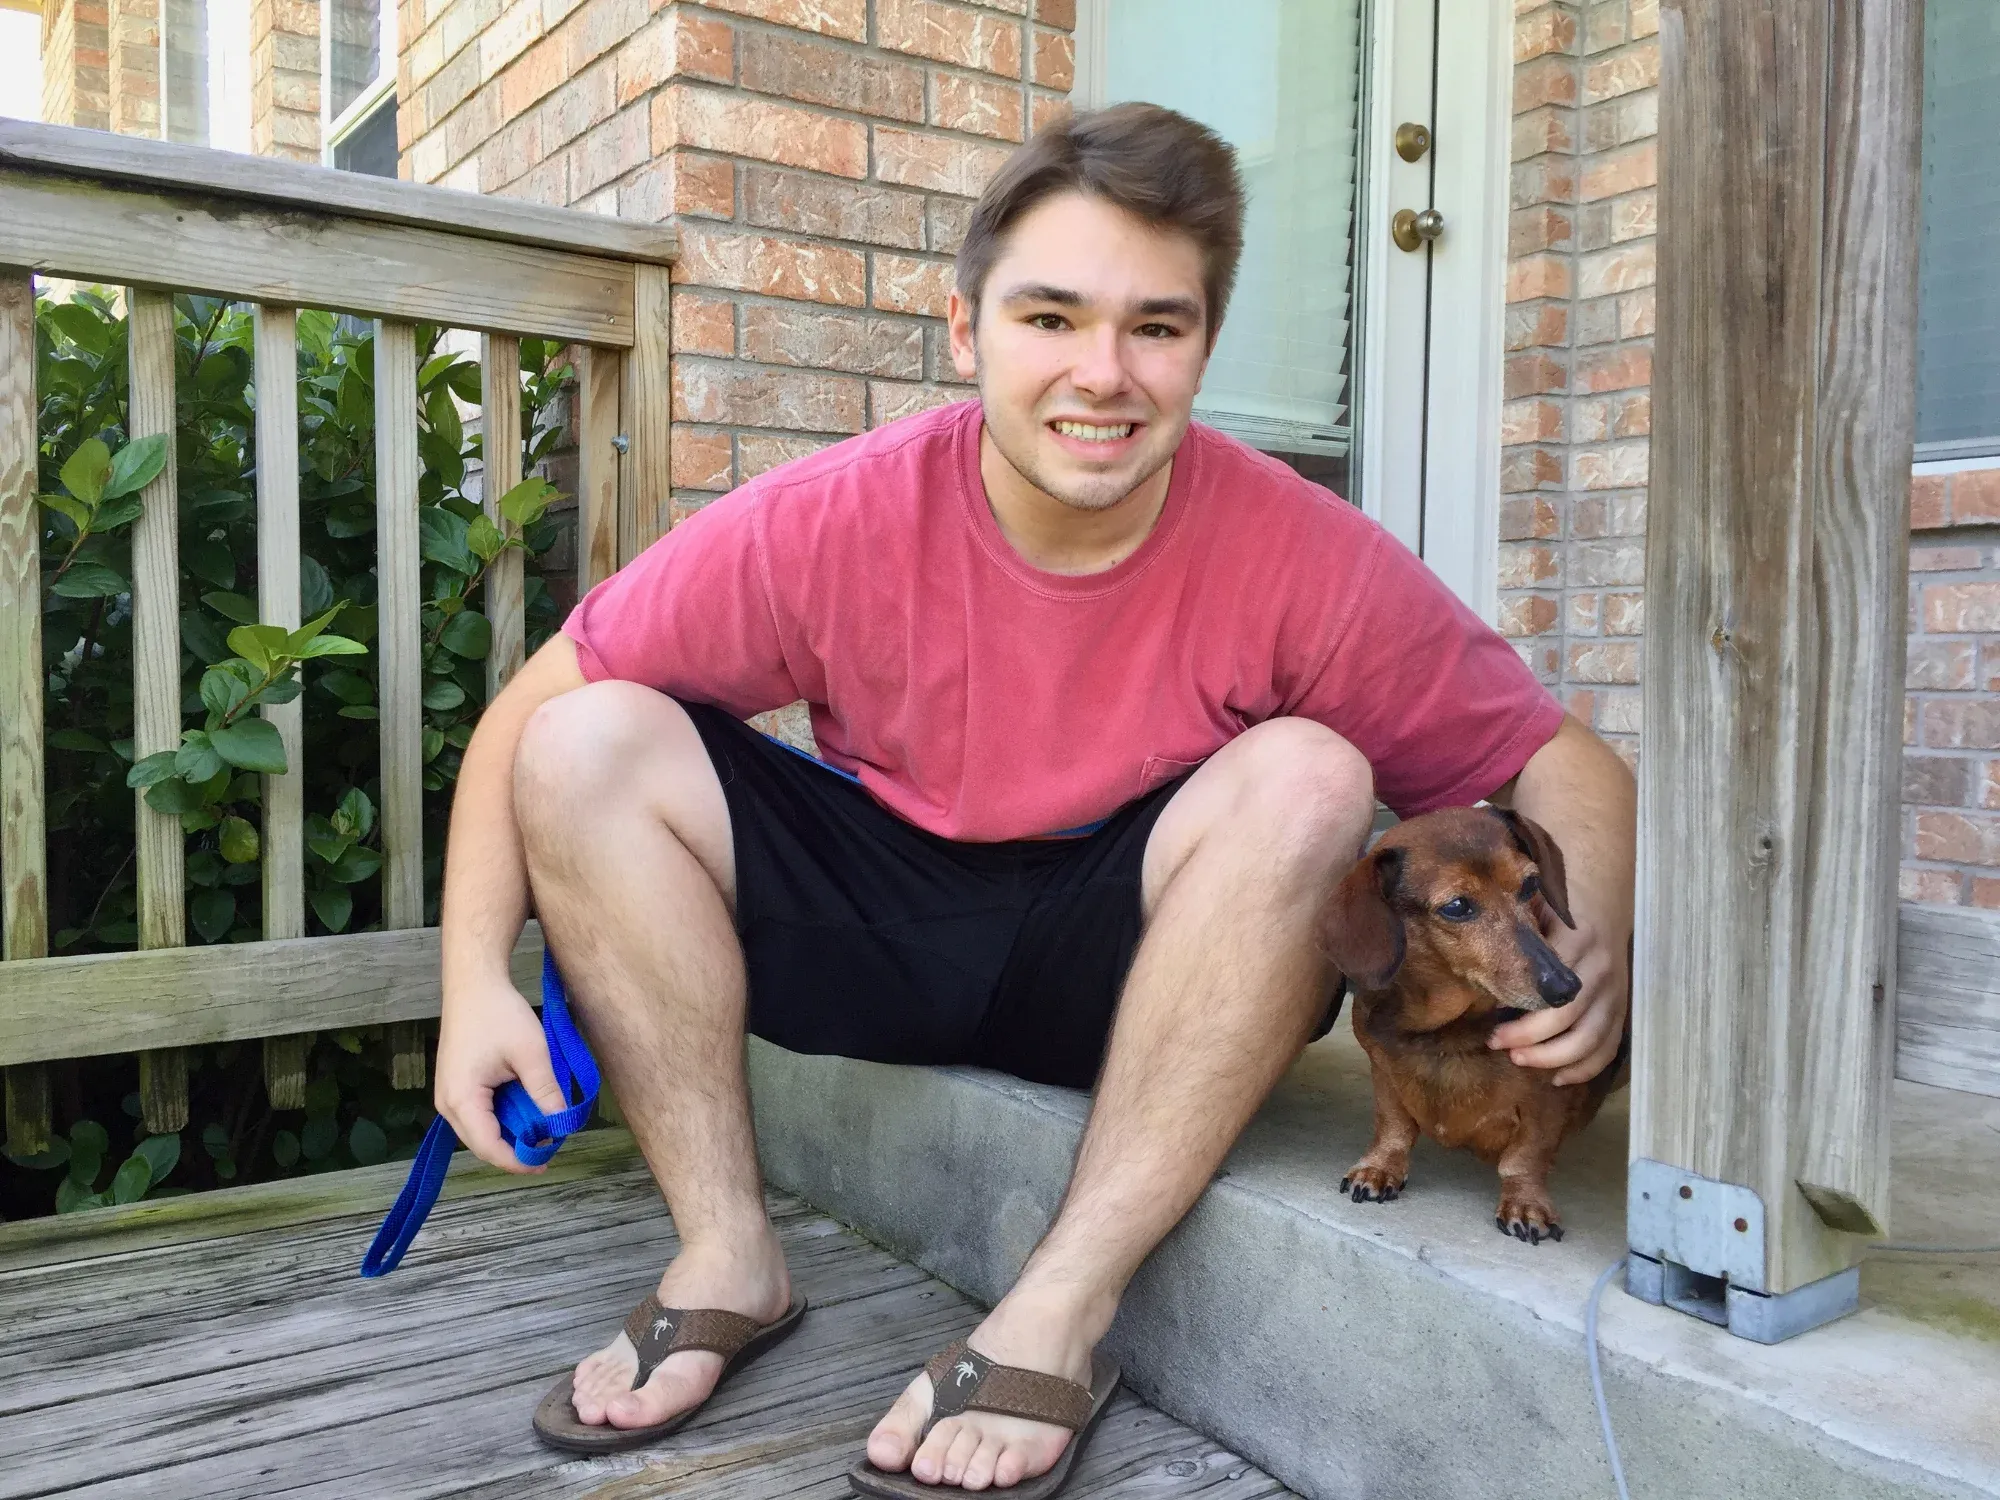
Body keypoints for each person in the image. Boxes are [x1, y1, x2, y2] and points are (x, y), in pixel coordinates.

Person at [433, 102, 1636, 1496]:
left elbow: (1565, 759)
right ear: (965, 330)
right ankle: (727, 1258)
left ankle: (1059, 1308)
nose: (1103, 374)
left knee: (1314, 770)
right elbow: (524, 716)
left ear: (1203, 347)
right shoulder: (834, 516)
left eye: (1157, 327)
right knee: (587, 742)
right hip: (870, 923)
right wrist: (473, 976)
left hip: (1119, 963)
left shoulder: (1301, 550)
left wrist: (1588, 945)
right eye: (1051, 317)